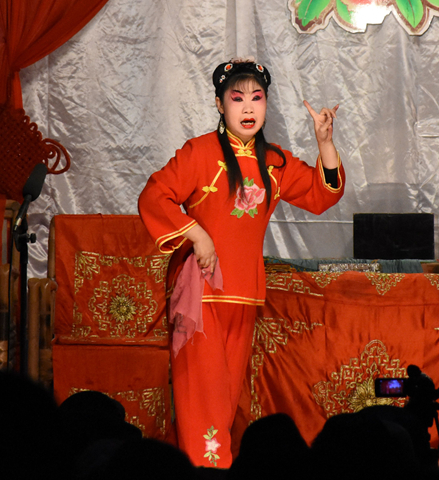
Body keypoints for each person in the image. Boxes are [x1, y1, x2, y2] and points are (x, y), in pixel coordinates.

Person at [138, 59, 345, 468]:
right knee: (204, 401)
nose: (248, 107)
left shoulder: (275, 162)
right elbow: (154, 196)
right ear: (220, 104)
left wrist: (324, 142)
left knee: (226, 400)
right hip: (202, 298)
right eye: (237, 98)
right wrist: (197, 234)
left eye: (257, 98)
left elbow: (323, 195)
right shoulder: (199, 152)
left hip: (245, 295)